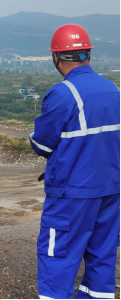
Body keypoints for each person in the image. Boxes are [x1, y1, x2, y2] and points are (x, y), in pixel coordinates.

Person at [29, 24, 119, 300]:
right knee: (102, 255)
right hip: (110, 190)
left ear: (56, 57)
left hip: (72, 194)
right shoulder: (112, 89)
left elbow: (42, 144)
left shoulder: (63, 93)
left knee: (58, 257)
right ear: (87, 53)